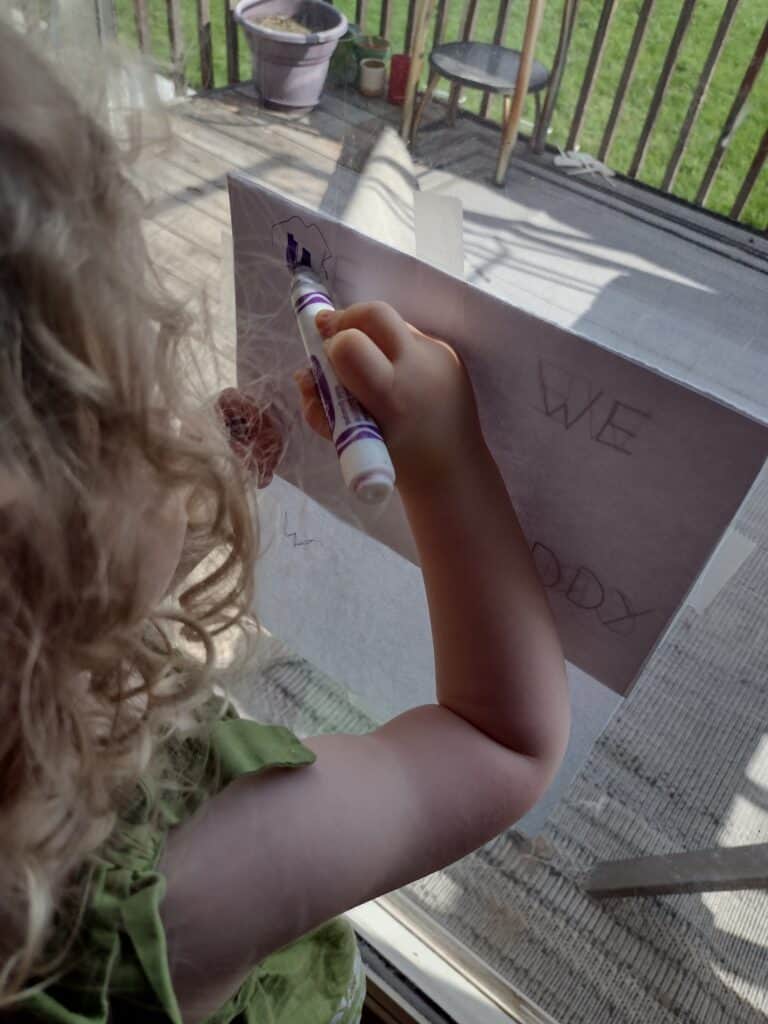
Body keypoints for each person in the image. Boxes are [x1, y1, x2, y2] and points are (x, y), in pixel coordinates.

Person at [0, 16, 569, 1024]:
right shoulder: (193, 874)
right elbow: (501, 741)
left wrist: (179, 489)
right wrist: (445, 458)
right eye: (134, 417)